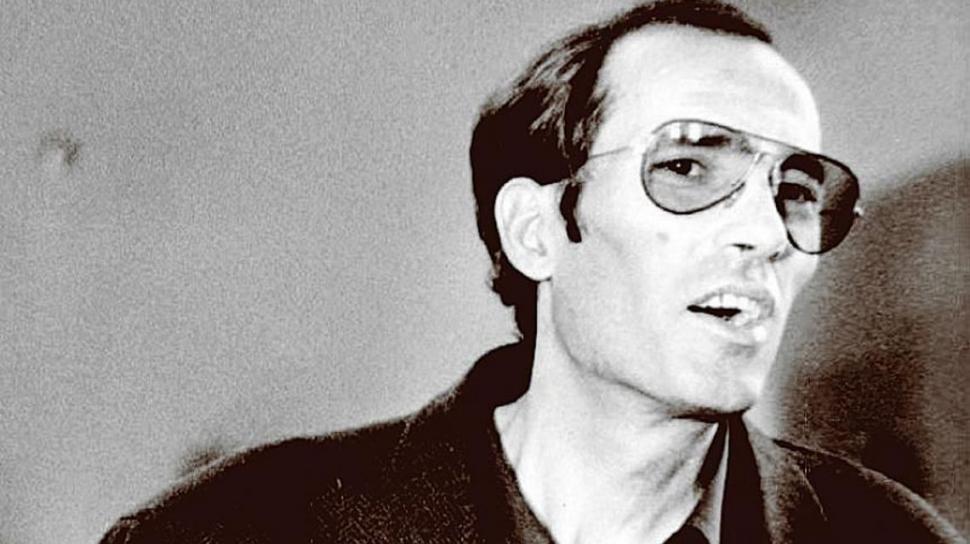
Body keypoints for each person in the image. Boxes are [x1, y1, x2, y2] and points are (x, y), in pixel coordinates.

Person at [100, 1, 965, 542]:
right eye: (688, 167)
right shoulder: (239, 530)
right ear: (537, 231)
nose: (766, 232)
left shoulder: (893, 538)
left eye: (795, 190)